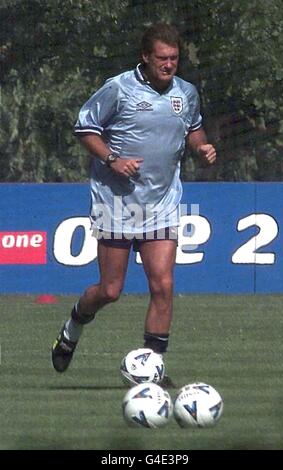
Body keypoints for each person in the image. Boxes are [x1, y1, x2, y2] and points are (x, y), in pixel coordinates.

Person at [51, 23, 216, 380]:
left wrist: (201, 147)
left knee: (164, 285)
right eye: (162, 58)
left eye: (174, 58)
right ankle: (72, 328)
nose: (169, 65)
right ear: (145, 57)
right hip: (117, 201)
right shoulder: (119, 88)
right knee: (110, 291)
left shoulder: (185, 93)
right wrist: (113, 159)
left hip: (162, 202)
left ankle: (153, 369)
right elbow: (85, 128)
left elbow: (194, 127)